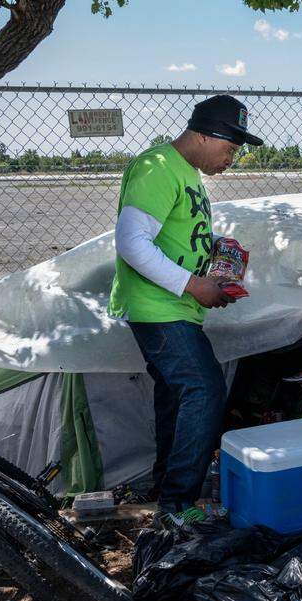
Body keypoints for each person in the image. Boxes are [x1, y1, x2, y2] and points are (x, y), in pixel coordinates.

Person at [108, 95, 263, 517]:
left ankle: (166, 490)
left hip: (175, 306)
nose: (232, 158)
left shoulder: (186, 173)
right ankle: (177, 505)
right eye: (229, 149)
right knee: (205, 388)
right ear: (201, 134)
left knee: (176, 397)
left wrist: (216, 252)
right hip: (160, 307)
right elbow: (131, 242)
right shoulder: (157, 167)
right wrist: (194, 285)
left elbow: (172, 237)